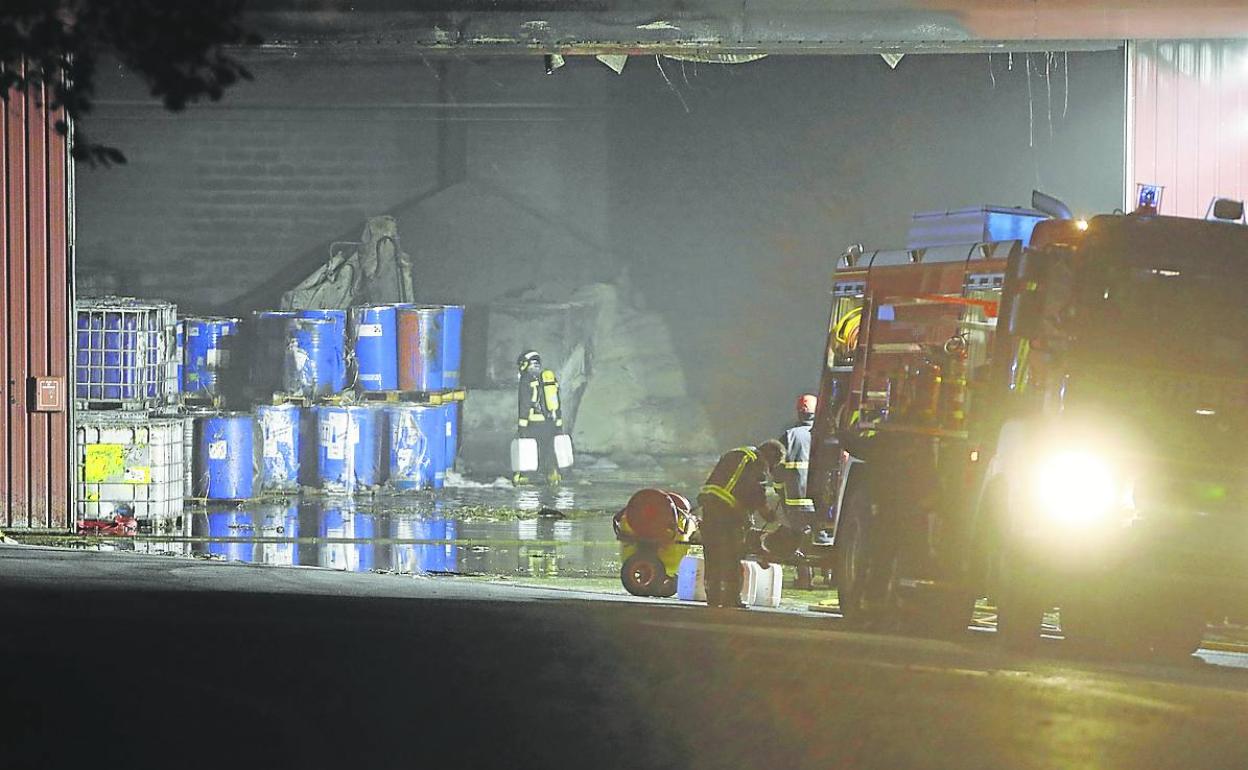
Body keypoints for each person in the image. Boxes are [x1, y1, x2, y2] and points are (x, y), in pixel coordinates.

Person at [697, 440, 785, 608]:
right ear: (772, 457)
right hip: (725, 512)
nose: (770, 470)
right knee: (732, 555)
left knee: (712, 554)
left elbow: (735, 485)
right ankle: (731, 599)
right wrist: (767, 514)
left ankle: (713, 597)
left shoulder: (737, 453)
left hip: (709, 506)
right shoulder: (757, 461)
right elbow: (755, 492)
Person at [776, 394, 819, 589]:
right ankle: (825, 577)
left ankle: (804, 578)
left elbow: (777, 467)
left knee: (799, 535)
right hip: (820, 502)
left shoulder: (789, 436)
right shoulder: (824, 435)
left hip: (794, 500)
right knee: (813, 536)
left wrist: (778, 490)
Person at [514, 350, 565, 486]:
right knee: (548, 449)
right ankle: (553, 475)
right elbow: (556, 402)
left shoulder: (527, 380)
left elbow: (524, 404)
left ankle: (525, 476)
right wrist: (558, 424)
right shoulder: (548, 378)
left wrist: (522, 426)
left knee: (529, 449)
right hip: (550, 423)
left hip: (533, 423)